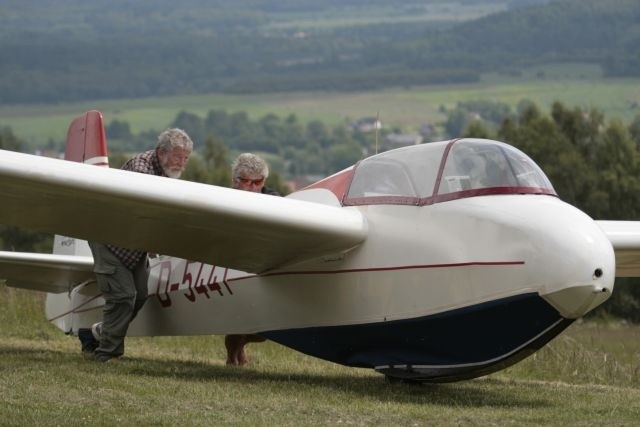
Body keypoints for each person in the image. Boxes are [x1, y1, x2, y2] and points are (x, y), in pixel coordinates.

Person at [81, 128, 193, 362]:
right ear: (162, 152)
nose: (182, 163)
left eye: (185, 158)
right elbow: (146, 208)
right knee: (123, 297)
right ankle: (107, 354)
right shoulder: (141, 167)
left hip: (133, 243)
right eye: (177, 157)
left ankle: (96, 335)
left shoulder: (167, 174)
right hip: (109, 239)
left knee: (140, 295)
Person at [225, 153, 280, 366]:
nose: (252, 187)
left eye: (258, 182)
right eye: (247, 182)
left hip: (260, 264)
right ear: (235, 181)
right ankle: (232, 356)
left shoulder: (274, 200)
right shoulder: (223, 198)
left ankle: (239, 347)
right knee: (239, 318)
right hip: (232, 264)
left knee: (263, 331)